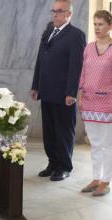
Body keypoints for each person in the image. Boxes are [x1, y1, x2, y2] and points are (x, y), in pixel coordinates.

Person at [31, 0, 86, 181]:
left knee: (63, 131)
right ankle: (53, 163)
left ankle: (64, 166)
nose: (54, 14)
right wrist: (35, 85)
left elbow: (76, 66)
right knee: (49, 130)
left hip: (64, 94)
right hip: (46, 90)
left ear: (68, 14)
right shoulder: (49, 31)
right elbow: (41, 59)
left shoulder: (76, 35)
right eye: (53, 11)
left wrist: (71, 92)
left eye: (59, 11)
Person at [78, 10, 112, 196]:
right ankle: (95, 177)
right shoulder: (89, 48)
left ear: (110, 26)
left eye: (101, 24)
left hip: (108, 103)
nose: (97, 27)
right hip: (90, 101)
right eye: (95, 24)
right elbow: (83, 73)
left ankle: (105, 181)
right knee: (95, 143)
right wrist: (81, 96)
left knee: (107, 145)